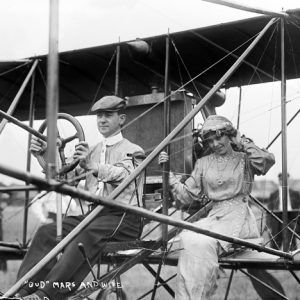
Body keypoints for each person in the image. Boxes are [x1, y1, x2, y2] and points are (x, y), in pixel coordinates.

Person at [15, 95, 145, 300]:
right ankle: (21, 290)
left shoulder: (134, 151)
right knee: (48, 230)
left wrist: (92, 166)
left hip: (125, 218)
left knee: (85, 235)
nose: (102, 120)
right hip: (96, 216)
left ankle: (46, 294)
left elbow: (124, 176)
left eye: (108, 115)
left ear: (121, 119)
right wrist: (46, 152)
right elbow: (65, 177)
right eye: (99, 116)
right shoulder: (90, 150)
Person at [158, 115, 275, 300]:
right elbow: (186, 195)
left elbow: (266, 161)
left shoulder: (244, 159)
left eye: (219, 137)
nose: (214, 144)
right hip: (215, 218)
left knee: (202, 242)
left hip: (239, 218)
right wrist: (167, 172)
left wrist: (241, 140)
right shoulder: (204, 163)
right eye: (210, 140)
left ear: (229, 135)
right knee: (188, 237)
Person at [267, 172, 300, 250]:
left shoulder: (295, 193)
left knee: (290, 239)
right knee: (275, 241)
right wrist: (268, 226)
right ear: (279, 180)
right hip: (276, 218)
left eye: (285, 179)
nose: (283, 181)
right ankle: (274, 258)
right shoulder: (273, 194)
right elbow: (269, 211)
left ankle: (291, 258)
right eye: (281, 179)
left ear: (288, 180)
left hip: (291, 218)